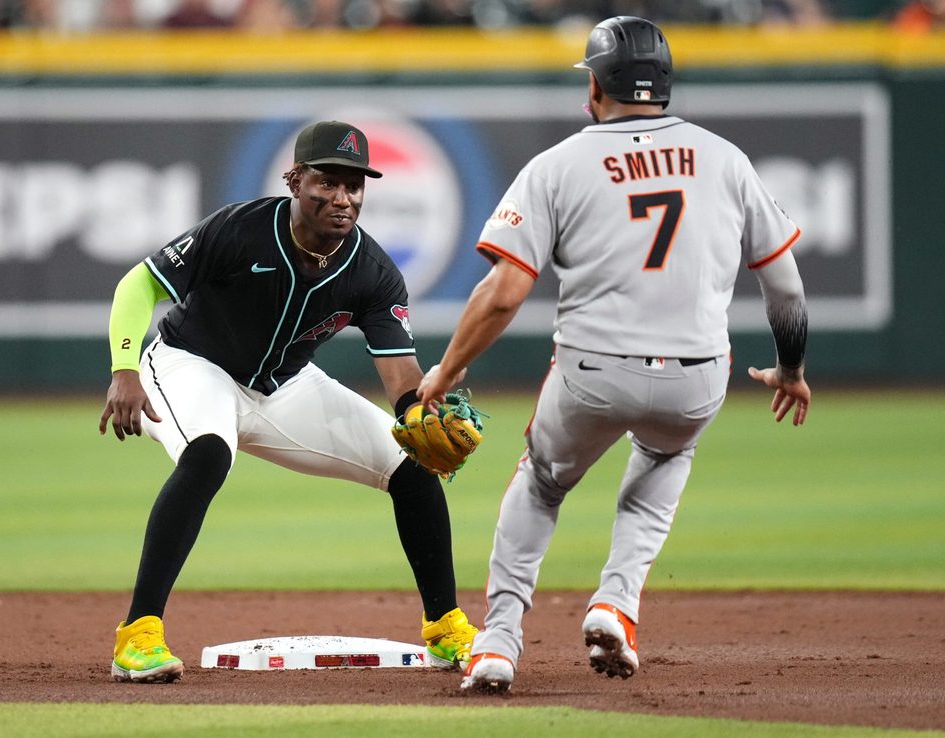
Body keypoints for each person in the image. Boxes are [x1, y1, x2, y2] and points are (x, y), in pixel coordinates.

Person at [416, 16, 811, 693]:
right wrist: (792, 370)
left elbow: (504, 290)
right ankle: (616, 605)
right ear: (663, 87)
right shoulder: (725, 158)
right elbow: (785, 285)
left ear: (595, 87)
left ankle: (499, 641)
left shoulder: (559, 164)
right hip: (696, 378)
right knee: (664, 456)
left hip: (593, 372)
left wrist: (448, 369)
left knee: (541, 481)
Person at [99, 120, 478, 683]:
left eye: (355, 186)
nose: (342, 198)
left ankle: (447, 628)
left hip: (283, 386)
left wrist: (419, 412)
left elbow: (400, 374)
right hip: (187, 365)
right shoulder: (240, 230)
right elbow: (139, 284)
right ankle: (138, 636)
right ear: (295, 180)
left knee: (411, 465)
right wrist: (125, 369)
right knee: (207, 454)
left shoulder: (372, 271)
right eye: (328, 182)